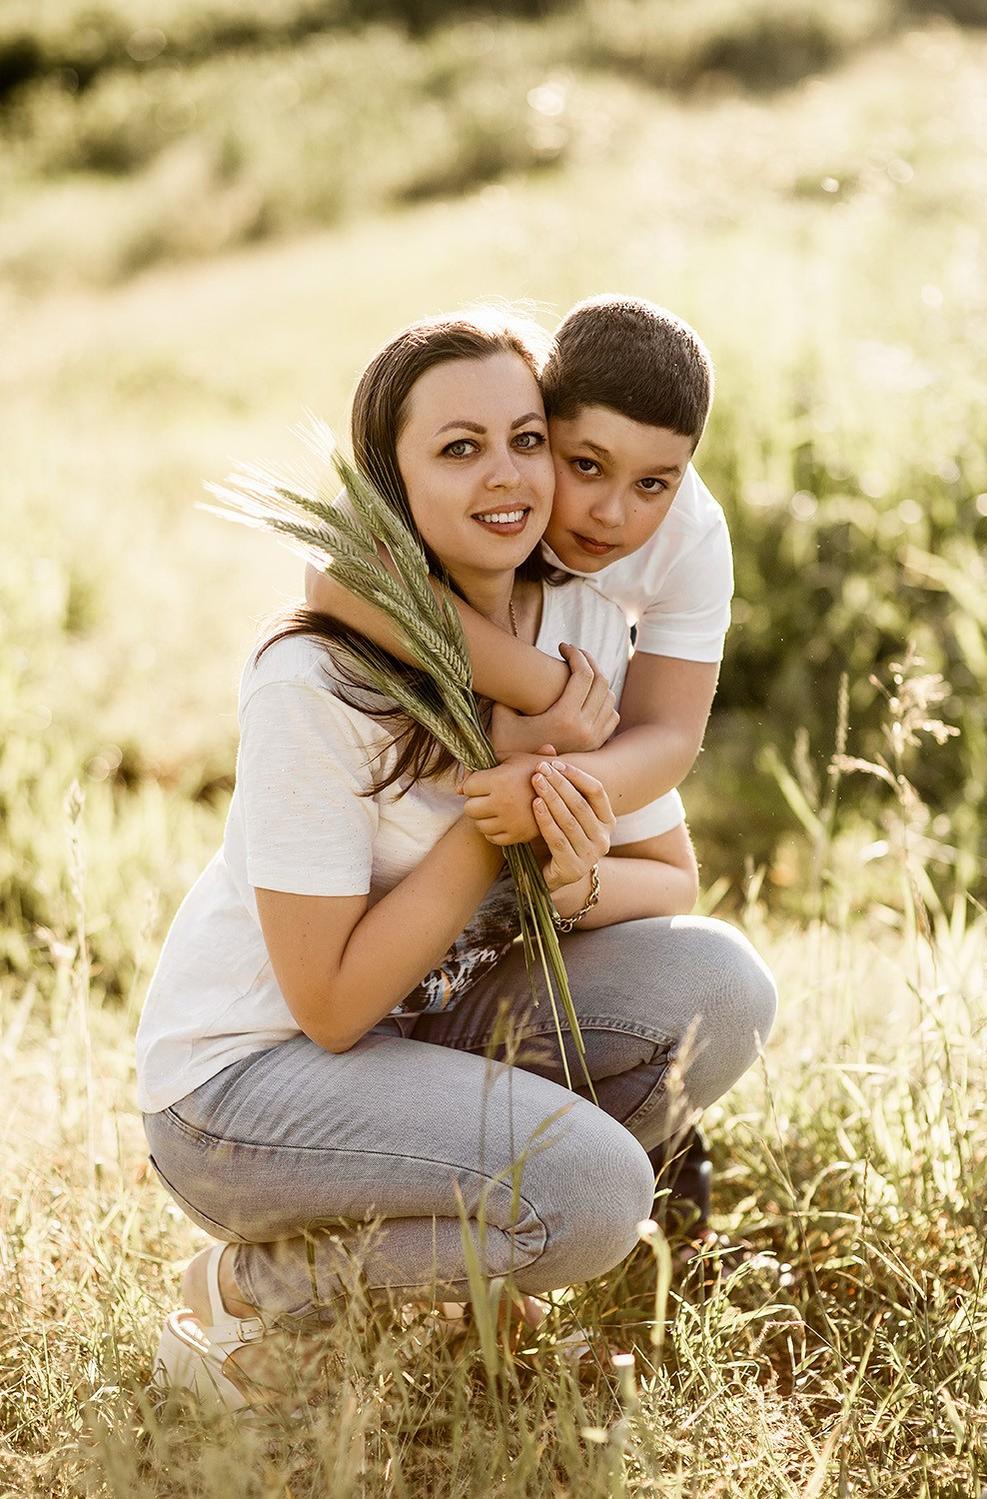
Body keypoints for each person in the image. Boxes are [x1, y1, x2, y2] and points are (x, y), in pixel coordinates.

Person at [137, 309, 776, 1412]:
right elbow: (330, 1008)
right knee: (590, 1195)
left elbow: (666, 871)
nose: (508, 476)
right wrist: (493, 820)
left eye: (527, 441)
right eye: (458, 447)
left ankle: (463, 1248)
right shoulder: (316, 683)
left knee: (722, 982)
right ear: (391, 480)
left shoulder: (581, 619)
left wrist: (571, 864)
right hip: (249, 1082)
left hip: (432, 1024)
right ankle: (249, 1285)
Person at [306, 295, 730, 1226]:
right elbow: (337, 575)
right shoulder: (479, 470)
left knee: (625, 893)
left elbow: (668, 733)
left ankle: (627, 1145)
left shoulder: (690, 540)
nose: (616, 513)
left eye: (656, 483)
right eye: (586, 465)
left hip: (577, 710)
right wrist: (540, 687)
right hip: (525, 674)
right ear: (537, 415)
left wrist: (553, 790)